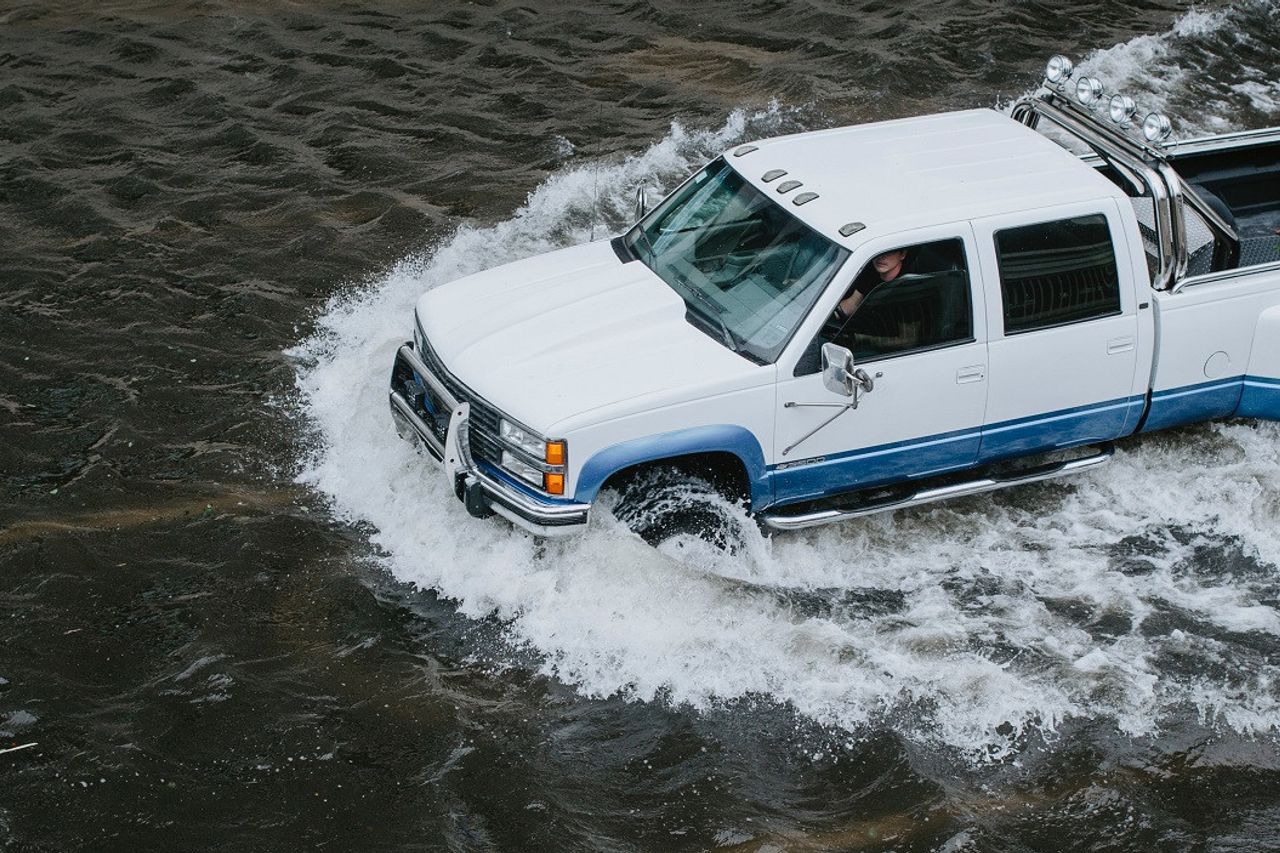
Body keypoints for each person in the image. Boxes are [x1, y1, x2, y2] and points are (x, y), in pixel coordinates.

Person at [833, 249, 908, 321]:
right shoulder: (870, 273)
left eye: (889, 251)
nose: (881, 256)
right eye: (878, 250)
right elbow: (853, 304)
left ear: (903, 255)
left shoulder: (909, 285)